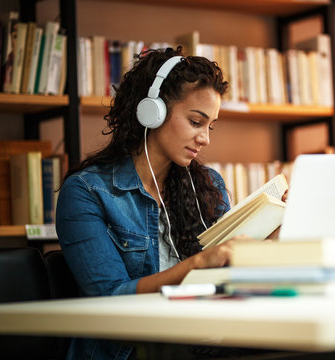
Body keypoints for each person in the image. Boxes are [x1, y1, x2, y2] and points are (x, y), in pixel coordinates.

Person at [56, 47, 252, 359]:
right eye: (195, 121)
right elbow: (111, 298)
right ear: (152, 111)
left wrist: (269, 239)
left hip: (204, 344)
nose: (205, 139)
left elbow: (228, 280)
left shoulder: (208, 185)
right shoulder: (86, 192)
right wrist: (198, 263)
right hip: (134, 351)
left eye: (210, 126)